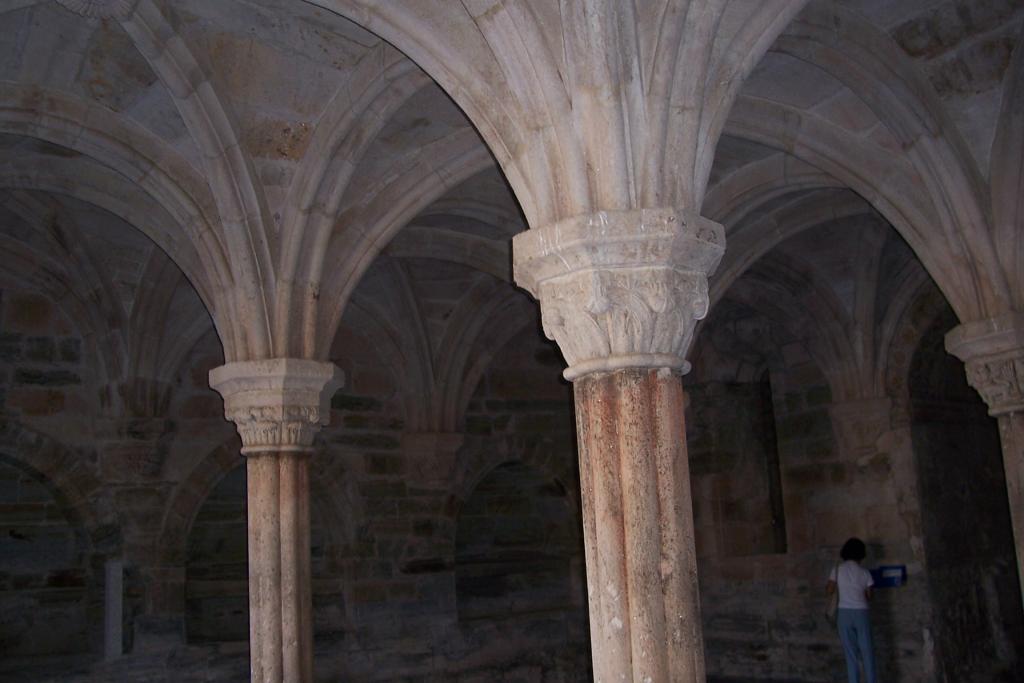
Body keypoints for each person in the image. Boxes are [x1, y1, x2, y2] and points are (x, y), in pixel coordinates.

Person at [826, 537, 877, 683]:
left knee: (851, 654)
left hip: (844, 613)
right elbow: (870, 596)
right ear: (861, 554)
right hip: (862, 612)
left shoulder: (837, 570)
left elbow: (829, 590)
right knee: (867, 652)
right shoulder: (865, 572)